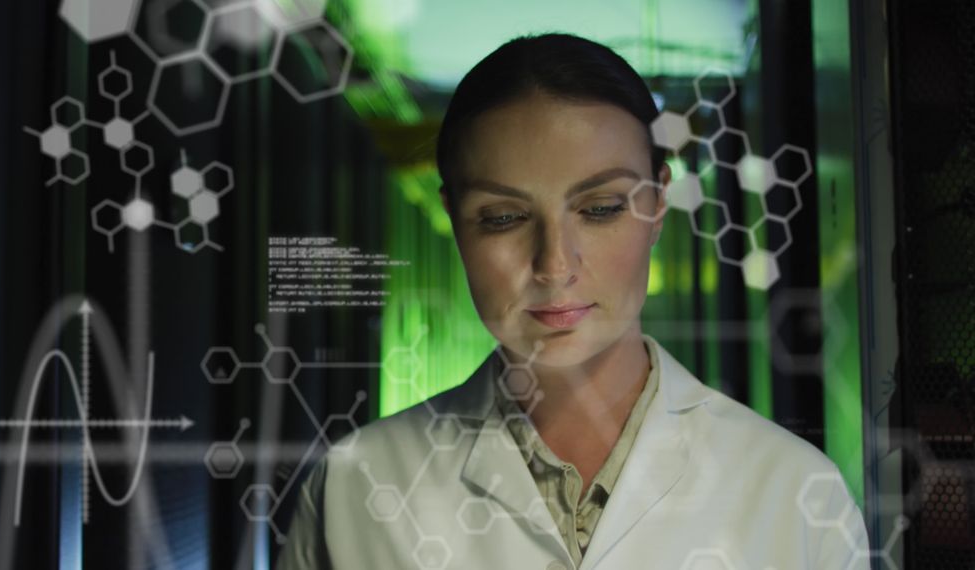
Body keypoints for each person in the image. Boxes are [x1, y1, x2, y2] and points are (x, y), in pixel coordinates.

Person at [277, 33, 869, 570]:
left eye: (601, 208)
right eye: (503, 217)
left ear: (658, 203)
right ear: (456, 218)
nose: (555, 265)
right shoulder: (354, 490)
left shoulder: (795, 493)